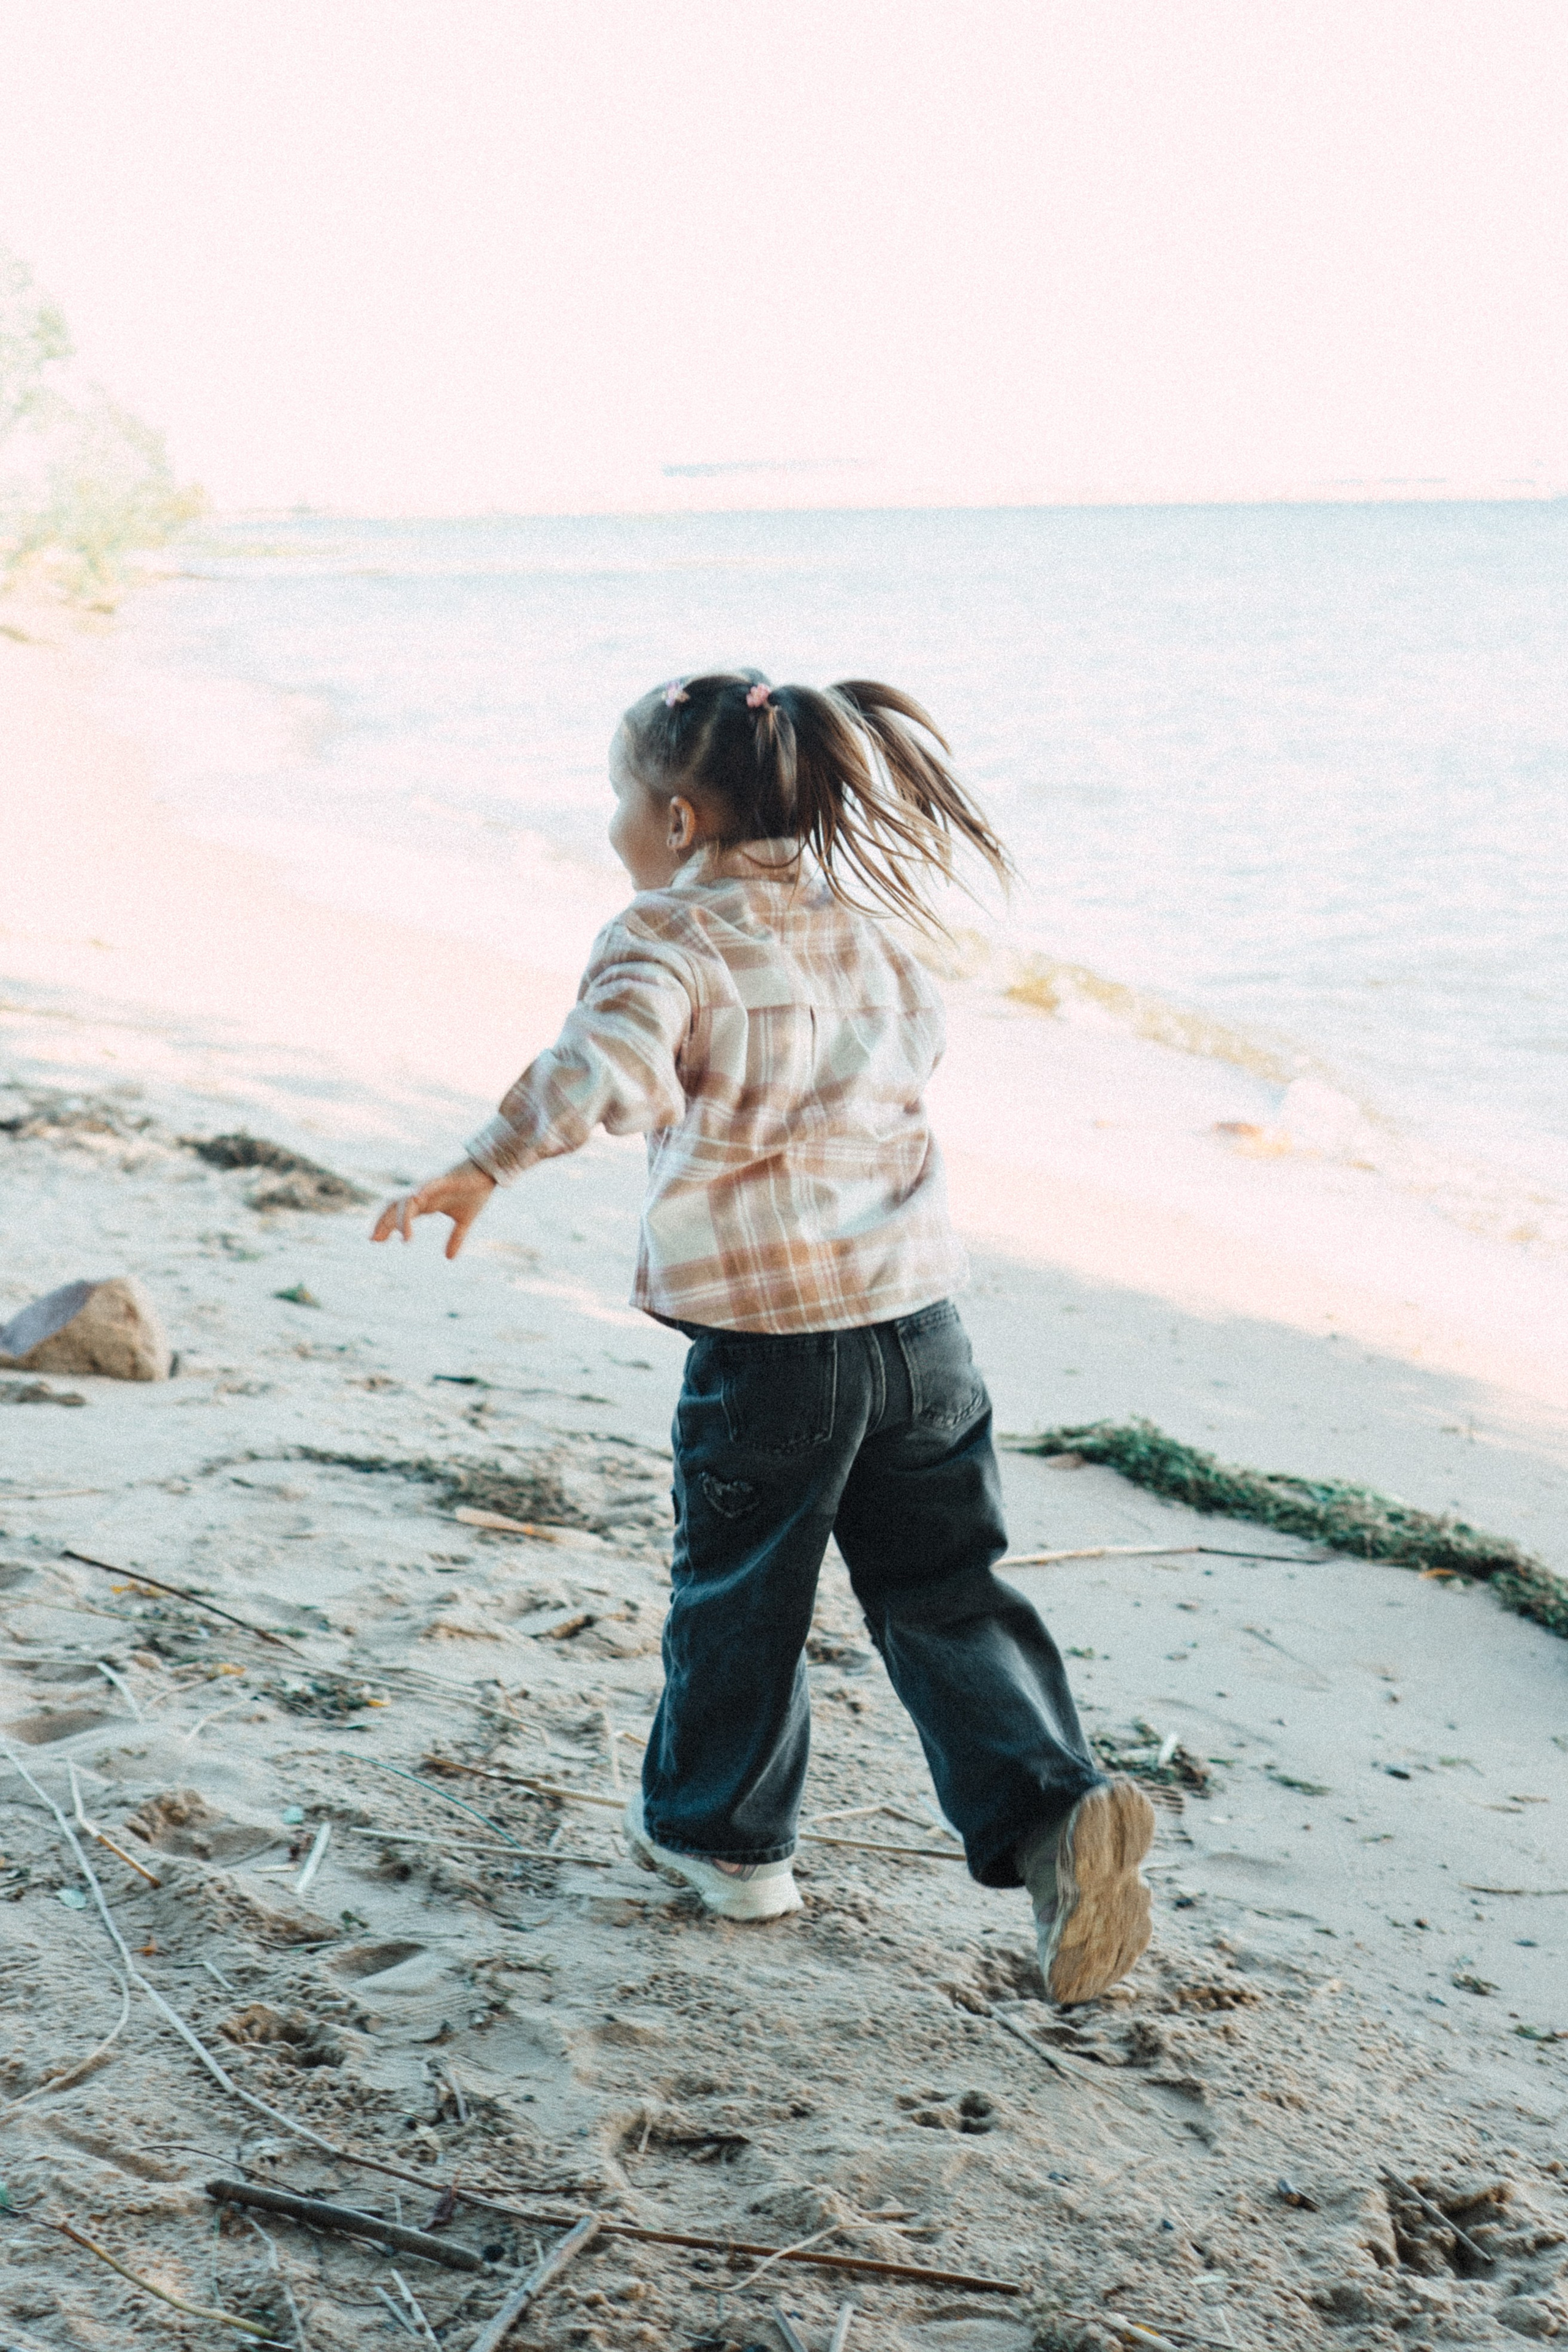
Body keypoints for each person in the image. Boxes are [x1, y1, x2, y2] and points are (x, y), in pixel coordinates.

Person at [372, 669, 1153, 2005]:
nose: (612, 823)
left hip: (777, 1351)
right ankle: (1048, 1815)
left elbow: (607, 1061)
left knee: (744, 1595)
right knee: (943, 1588)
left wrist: (486, 1160)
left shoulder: (661, 934)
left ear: (676, 820)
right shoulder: (874, 937)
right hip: (923, 1333)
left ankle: (724, 1848)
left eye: (618, 798)